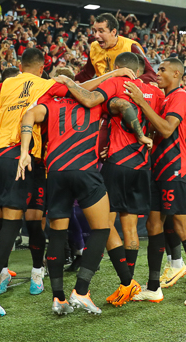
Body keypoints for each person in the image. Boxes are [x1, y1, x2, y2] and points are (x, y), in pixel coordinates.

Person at [0, 48, 135, 316]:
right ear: (43, 68)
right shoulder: (54, 88)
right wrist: (115, 73)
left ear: (20, 65)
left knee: (0, 223)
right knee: (21, 222)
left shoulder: (16, 86)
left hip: (2, 156)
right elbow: (87, 93)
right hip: (38, 160)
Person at [54, 52, 160, 307]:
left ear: (120, 68)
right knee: (131, 228)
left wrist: (69, 82)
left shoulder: (117, 83)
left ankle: (87, 287)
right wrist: (144, 137)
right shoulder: (155, 93)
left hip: (117, 163)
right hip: (141, 165)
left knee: (103, 226)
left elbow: (116, 105)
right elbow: (155, 123)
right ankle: (129, 284)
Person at [16, 68, 118, 315]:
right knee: (102, 228)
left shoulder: (50, 102)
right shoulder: (94, 100)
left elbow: (28, 115)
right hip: (84, 169)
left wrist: (24, 151)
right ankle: (81, 291)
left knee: (58, 236)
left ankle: (58, 298)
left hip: (56, 171)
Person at [124, 58, 186, 306]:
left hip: (176, 168)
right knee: (154, 225)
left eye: (162, 70)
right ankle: (154, 288)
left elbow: (166, 129)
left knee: (182, 227)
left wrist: (141, 102)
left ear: (176, 73)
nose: (158, 74)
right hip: (158, 168)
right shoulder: (164, 99)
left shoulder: (181, 96)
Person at [74, 13, 157, 84]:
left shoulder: (131, 46)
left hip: (123, 94)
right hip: (101, 92)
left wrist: (128, 83)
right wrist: (69, 80)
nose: (96, 35)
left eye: (101, 31)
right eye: (94, 31)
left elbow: (150, 75)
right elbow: (87, 74)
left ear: (113, 32)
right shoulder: (94, 46)